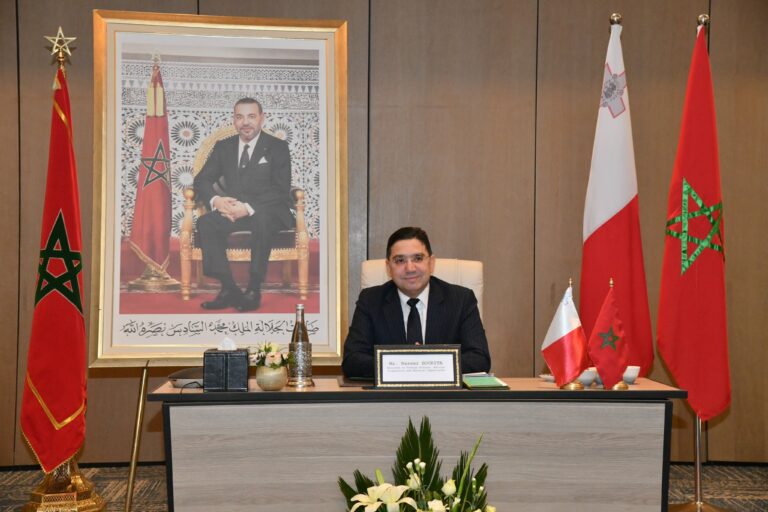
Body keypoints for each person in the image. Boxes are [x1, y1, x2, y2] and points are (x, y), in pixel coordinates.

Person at [342, 227, 491, 379]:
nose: (410, 268)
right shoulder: (370, 301)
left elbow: (479, 359)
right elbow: (352, 361)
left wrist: (422, 365)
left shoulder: (461, 300)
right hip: (391, 394)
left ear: (431, 262)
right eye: (400, 260)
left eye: (418, 258)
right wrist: (408, 365)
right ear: (388, 267)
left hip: (443, 393)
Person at [193, 98, 293, 311]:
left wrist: (247, 208)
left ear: (262, 118)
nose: (245, 122)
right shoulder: (224, 147)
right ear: (234, 120)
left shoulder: (278, 147)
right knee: (206, 223)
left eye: (251, 116)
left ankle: (254, 288)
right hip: (233, 211)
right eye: (240, 117)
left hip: (269, 211)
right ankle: (228, 287)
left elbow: (280, 189)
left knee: (262, 219)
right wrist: (217, 201)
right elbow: (202, 180)